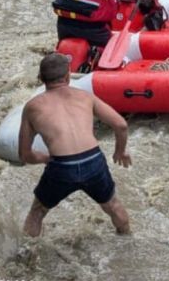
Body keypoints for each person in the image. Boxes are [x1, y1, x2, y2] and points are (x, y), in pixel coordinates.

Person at [19, 53, 133, 237]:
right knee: (112, 205)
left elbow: (25, 155)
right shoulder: (85, 97)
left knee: (37, 212)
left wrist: (47, 159)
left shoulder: (32, 107)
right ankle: (127, 238)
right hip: (93, 159)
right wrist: (120, 152)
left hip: (62, 166)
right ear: (67, 76)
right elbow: (121, 125)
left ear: (40, 79)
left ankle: (24, 258)